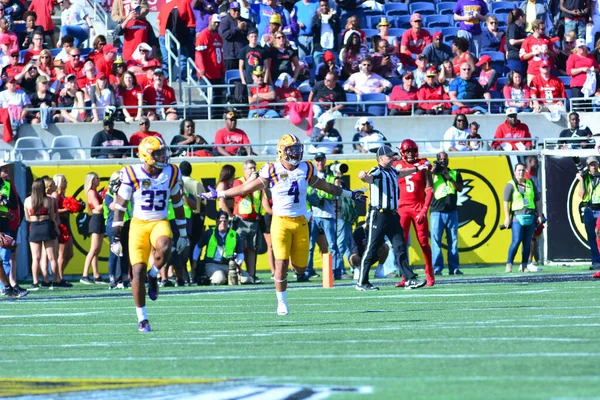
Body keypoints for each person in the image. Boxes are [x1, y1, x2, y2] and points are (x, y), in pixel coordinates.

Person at [199, 133, 366, 315]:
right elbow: (246, 188)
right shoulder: (271, 169)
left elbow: (327, 187)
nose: (295, 153)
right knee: (281, 262)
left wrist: (351, 194)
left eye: (297, 149)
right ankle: (282, 302)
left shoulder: (306, 168)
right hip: (280, 222)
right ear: (281, 151)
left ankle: (292, 274)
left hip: (301, 222)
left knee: (300, 268)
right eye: (291, 149)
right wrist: (219, 194)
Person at [110, 136, 189, 332]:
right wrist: (115, 236)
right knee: (136, 272)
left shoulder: (171, 172)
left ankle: (153, 274)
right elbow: (120, 205)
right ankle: (142, 318)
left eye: (163, 152)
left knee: (165, 246)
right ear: (146, 155)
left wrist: (184, 233)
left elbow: (178, 203)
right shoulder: (131, 173)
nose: (163, 156)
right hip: (138, 224)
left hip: (159, 221)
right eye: (157, 153)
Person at [356, 145, 428, 291]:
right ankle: (362, 282)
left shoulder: (392, 171)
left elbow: (402, 172)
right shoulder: (377, 171)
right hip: (379, 215)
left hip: (393, 215)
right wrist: (363, 176)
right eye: (389, 156)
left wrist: (417, 169)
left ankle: (409, 279)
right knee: (372, 248)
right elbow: (368, 178)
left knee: (400, 246)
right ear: (380, 158)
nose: (392, 158)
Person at [393, 139, 435, 287]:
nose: (410, 154)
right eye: (407, 151)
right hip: (401, 208)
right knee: (400, 244)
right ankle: (406, 275)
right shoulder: (395, 165)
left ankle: (429, 270)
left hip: (418, 207)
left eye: (412, 151)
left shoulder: (424, 163)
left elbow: (430, 189)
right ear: (402, 152)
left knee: (423, 242)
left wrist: (424, 209)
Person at [305, 153, 347, 280]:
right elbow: (306, 195)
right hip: (313, 215)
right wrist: (309, 210)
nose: (319, 163)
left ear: (325, 161)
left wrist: (318, 194)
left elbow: (331, 195)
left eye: (321, 160)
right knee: (310, 246)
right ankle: (307, 270)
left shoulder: (330, 176)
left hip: (327, 214)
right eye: (317, 161)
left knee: (332, 245)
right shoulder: (310, 176)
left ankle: (335, 270)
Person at [503, 162, 543, 273]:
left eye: (523, 170)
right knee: (516, 241)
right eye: (519, 170)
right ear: (515, 172)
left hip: (530, 216)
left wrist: (539, 215)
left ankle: (524, 265)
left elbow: (537, 200)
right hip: (517, 217)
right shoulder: (510, 185)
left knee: (527, 242)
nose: (521, 172)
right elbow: (506, 202)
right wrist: (507, 218)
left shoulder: (530, 183)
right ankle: (509, 263)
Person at [430, 152, 464, 276]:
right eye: (441, 160)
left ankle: (454, 268)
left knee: (453, 241)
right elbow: (428, 184)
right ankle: (437, 268)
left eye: (445, 159)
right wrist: (434, 169)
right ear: (437, 160)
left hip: (452, 211)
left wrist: (448, 176)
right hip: (436, 211)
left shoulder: (455, 173)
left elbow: (459, 188)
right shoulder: (433, 174)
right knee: (436, 241)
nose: (443, 161)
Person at [195, 211, 252, 285]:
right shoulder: (209, 233)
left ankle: (228, 279)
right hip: (212, 264)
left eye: (225, 221)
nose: (223, 223)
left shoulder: (234, 235)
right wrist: (194, 261)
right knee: (219, 279)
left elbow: (240, 253)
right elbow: (198, 247)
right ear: (216, 221)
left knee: (246, 279)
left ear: (228, 221)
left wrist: (238, 264)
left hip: (229, 265)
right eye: (220, 221)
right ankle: (207, 279)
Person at [232, 159, 263, 283]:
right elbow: (240, 193)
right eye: (250, 168)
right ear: (244, 170)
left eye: (254, 168)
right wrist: (251, 181)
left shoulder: (257, 183)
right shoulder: (238, 181)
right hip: (241, 220)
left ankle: (251, 274)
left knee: (252, 248)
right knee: (239, 248)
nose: (253, 170)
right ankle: (238, 274)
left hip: (254, 219)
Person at [103, 171, 131, 289]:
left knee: (125, 252)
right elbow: (114, 207)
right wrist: (115, 193)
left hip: (124, 224)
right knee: (115, 251)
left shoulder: (125, 193)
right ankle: (112, 278)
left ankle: (124, 278)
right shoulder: (109, 194)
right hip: (113, 225)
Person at [179, 160, 206, 279]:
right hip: (195, 217)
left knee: (182, 247)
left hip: (180, 216)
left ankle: (182, 274)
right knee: (195, 247)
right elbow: (204, 203)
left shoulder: (177, 183)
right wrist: (202, 219)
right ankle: (194, 273)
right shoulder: (197, 184)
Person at [80, 172, 106, 285]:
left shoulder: (95, 192)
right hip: (96, 218)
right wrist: (108, 201)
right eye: (96, 178)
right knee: (93, 248)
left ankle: (96, 275)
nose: (99, 180)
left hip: (99, 219)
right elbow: (98, 208)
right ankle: (85, 274)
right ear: (92, 181)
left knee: (97, 249)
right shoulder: (91, 192)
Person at [578, 156, 600, 270]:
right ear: (588, 167)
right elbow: (581, 195)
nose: (594, 167)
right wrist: (581, 179)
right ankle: (596, 261)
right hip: (589, 209)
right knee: (591, 236)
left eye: (595, 164)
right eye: (591, 165)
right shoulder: (585, 178)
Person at [52, 174, 73, 287]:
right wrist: (67, 209)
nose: (66, 182)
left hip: (66, 222)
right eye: (64, 180)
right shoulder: (56, 194)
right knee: (62, 254)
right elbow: (54, 210)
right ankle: (58, 278)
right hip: (61, 224)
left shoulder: (63, 195)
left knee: (70, 253)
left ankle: (59, 275)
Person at [219, 1, 252, 71]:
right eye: (234, 10)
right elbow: (225, 35)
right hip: (230, 57)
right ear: (230, 11)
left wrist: (246, 29)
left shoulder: (246, 21)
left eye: (238, 10)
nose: (237, 12)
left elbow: (253, 32)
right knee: (231, 78)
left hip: (243, 55)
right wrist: (238, 28)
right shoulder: (225, 21)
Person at [567, 38, 599, 109]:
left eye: (583, 46)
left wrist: (593, 70)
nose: (582, 48)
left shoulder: (590, 56)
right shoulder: (572, 57)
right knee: (578, 107)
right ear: (576, 48)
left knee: (588, 107)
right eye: (579, 47)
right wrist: (581, 69)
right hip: (577, 85)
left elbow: (597, 69)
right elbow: (569, 71)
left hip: (589, 85)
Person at [520, 19, 554, 85]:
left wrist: (548, 51)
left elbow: (553, 55)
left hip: (545, 71)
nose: (544, 30)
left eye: (544, 28)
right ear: (536, 29)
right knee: (532, 92)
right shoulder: (527, 40)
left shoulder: (547, 39)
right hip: (533, 71)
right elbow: (522, 57)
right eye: (542, 29)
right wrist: (533, 53)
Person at [311, 0, 340, 65]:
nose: (324, 7)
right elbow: (314, 30)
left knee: (334, 69)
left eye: (326, 5)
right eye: (322, 5)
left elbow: (337, 30)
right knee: (319, 70)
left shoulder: (335, 17)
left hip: (332, 48)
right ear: (319, 7)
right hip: (319, 49)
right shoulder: (315, 17)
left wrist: (330, 19)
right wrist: (319, 18)